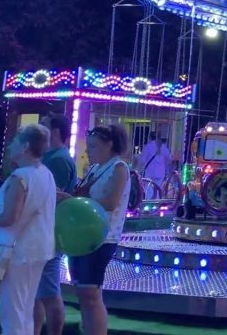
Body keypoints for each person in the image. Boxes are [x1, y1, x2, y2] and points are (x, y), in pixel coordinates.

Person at [57, 125, 130, 335]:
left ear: (110, 145)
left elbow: (110, 202)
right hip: (84, 235)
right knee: (84, 292)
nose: (88, 151)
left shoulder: (119, 168)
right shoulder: (96, 168)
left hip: (102, 237)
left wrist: (73, 200)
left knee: (90, 293)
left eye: (93, 146)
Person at [0, 124, 56, 335]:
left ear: (25, 146)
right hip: (39, 248)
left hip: (18, 250)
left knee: (13, 312)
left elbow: (10, 217)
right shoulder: (45, 174)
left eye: (15, 142)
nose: (9, 147)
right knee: (25, 308)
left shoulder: (21, 177)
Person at [34, 113, 78, 335]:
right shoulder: (51, 157)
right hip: (40, 231)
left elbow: (55, 196)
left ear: (55, 132)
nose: (39, 128)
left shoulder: (58, 160)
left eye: (44, 125)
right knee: (38, 291)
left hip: (49, 232)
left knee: (49, 291)